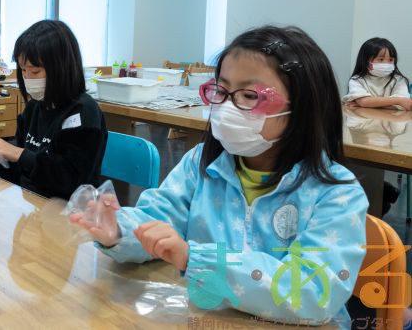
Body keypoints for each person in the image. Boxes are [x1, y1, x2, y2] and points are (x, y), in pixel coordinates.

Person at [70, 26, 368, 327]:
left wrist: (194, 259)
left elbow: (313, 292)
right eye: (221, 92)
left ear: (302, 107)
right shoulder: (201, 164)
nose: (226, 107)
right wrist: (119, 230)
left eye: (250, 95)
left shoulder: (336, 192)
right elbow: (156, 220)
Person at [0, 20, 108, 200]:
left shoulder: (82, 112)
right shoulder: (34, 108)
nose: (28, 78)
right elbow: (21, 173)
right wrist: (2, 160)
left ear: (61, 67)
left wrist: (18, 154)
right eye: (23, 70)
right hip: (33, 203)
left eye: (35, 71)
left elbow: (70, 180)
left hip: (69, 208)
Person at [344, 38, 412, 110]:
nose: (386, 64)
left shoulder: (399, 80)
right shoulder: (356, 80)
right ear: (366, 61)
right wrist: (398, 101)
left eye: (390, 60)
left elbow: (404, 105)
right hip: (365, 116)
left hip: (392, 117)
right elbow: (363, 102)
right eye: (381, 59)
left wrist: (366, 104)